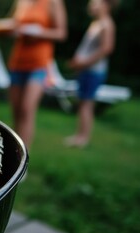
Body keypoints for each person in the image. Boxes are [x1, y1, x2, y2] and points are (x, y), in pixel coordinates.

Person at [8, 0, 67, 148]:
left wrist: (38, 32)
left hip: (39, 64)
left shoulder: (53, 2)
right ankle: (15, 153)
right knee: (16, 111)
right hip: (17, 62)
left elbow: (61, 33)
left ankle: (24, 158)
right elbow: (13, 24)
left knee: (27, 109)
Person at [65, 0, 116, 148]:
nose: (92, 6)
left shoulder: (107, 24)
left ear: (106, 5)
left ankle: (82, 138)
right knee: (84, 103)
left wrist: (83, 63)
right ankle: (80, 135)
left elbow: (106, 49)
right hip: (87, 70)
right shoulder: (97, 23)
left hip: (93, 71)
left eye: (96, 3)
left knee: (86, 104)